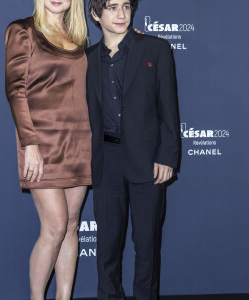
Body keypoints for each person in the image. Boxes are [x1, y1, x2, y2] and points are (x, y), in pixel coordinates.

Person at [86, 0, 180, 299]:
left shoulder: (156, 49)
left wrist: (167, 155)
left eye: (125, 6)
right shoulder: (85, 59)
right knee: (107, 246)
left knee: (147, 243)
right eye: (112, 7)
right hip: (105, 160)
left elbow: (169, 107)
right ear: (95, 14)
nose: (121, 14)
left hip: (148, 160)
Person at [4, 0, 91, 299]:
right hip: (41, 142)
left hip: (79, 141)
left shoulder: (79, 38)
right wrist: (29, 143)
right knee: (54, 226)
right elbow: (15, 90)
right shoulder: (23, 31)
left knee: (70, 225)